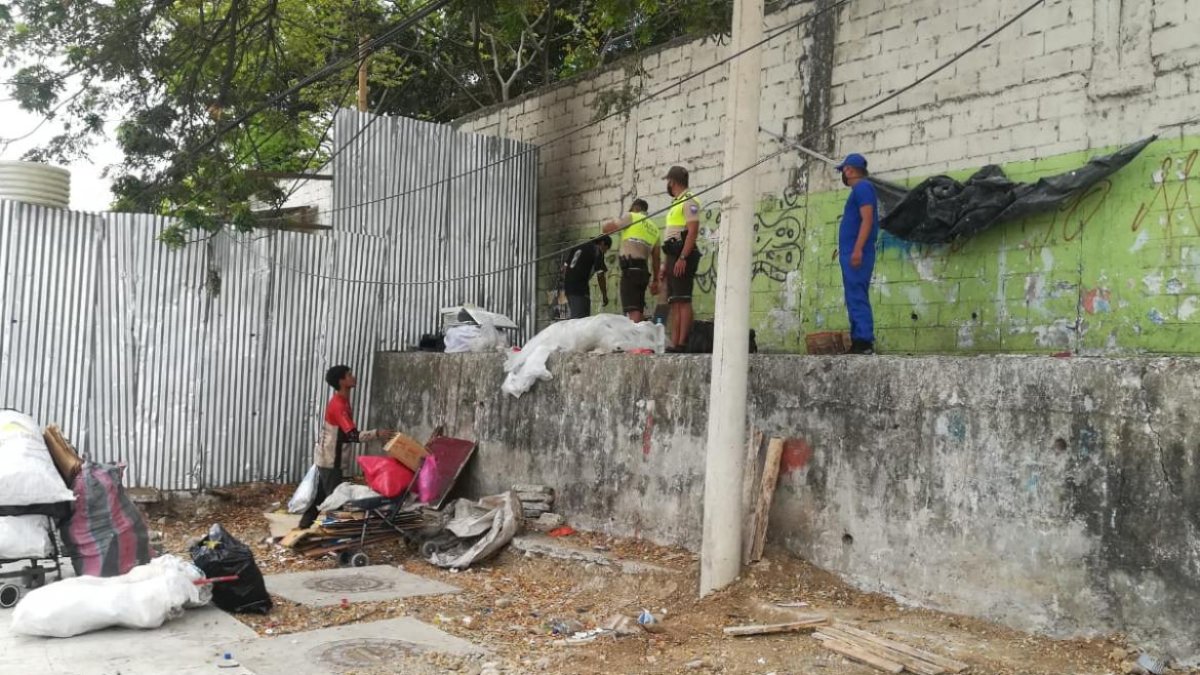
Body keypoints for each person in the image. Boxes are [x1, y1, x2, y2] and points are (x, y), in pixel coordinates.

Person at [299, 365, 394, 529]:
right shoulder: (339, 405)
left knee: (322, 497)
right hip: (331, 459)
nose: (353, 377)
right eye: (349, 375)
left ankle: (304, 527)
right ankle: (338, 542)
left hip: (327, 457)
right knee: (337, 499)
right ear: (341, 381)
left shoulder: (342, 401)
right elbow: (352, 435)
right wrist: (376, 433)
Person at [836, 153, 879, 355]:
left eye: (843, 171)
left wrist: (857, 249)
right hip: (851, 251)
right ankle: (858, 341)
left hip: (857, 253)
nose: (843, 175)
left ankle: (863, 341)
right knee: (853, 295)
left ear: (849, 170)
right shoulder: (859, 190)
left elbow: (867, 219)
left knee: (857, 295)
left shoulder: (862, 188)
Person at [661, 165, 701, 351]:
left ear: (673, 182)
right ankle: (676, 341)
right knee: (675, 300)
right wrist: (664, 264)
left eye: (669, 181)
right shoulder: (676, 202)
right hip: (672, 254)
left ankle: (682, 342)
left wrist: (683, 257)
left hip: (682, 254)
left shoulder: (689, 201)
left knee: (683, 300)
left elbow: (692, 231)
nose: (668, 185)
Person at [603, 198, 661, 322]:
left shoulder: (631, 216)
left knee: (632, 311)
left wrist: (615, 220)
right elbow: (656, 258)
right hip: (643, 272)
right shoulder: (654, 228)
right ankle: (639, 336)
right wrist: (656, 280)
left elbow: (607, 229)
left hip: (630, 270)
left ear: (635, 208)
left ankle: (635, 339)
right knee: (638, 309)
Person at [561, 235, 611, 319]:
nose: (605, 252)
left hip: (569, 288)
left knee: (579, 319)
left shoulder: (578, 247)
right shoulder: (597, 251)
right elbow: (601, 275)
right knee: (580, 321)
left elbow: (564, 268)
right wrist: (604, 295)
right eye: (606, 249)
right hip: (580, 289)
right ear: (602, 244)